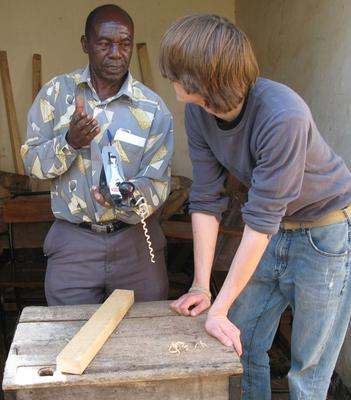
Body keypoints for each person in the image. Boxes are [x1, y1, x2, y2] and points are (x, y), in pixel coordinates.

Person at [159, 13, 351, 400]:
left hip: (324, 234)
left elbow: (261, 221)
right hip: (274, 228)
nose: (170, 78)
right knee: (241, 343)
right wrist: (202, 287)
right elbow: (207, 198)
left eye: (175, 71)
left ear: (202, 80)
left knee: (307, 370)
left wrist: (218, 310)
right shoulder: (198, 111)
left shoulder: (284, 116)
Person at [21, 4, 173, 306]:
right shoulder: (55, 95)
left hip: (136, 244)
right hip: (74, 243)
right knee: (70, 337)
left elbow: (158, 184)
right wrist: (69, 142)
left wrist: (126, 196)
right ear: (85, 44)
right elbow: (31, 164)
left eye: (125, 43)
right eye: (105, 44)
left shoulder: (152, 107)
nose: (116, 52)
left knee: (143, 335)